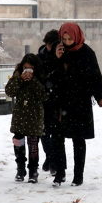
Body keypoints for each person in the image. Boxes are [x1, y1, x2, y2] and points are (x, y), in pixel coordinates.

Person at [51, 22, 102, 187]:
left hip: (79, 102)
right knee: (57, 138)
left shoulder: (87, 53)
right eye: (64, 39)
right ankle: (60, 173)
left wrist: (100, 97)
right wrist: (56, 58)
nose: (67, 42)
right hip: (60, 102)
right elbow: (50, 73)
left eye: (70, 39)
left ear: (76, 37)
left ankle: (78, 176)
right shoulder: (58, 50)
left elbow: (95, 76)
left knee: (78, 139)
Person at [4, 53, 47, 184]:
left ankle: (33, 171)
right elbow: (10, 91)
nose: (28, 71)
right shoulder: (17, 75)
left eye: (30, 68)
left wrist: (33, 80)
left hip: (35, 115)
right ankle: (20, 169)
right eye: (25, 68)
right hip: (20, 114)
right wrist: (20, 79)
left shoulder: (40, 77)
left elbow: (44, 95)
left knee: (33, 144)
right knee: (18, 142)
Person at [37, 29, 60, 174]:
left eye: (52, 44)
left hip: (56, 99)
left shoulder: (60, 56)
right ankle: (50, 157)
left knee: (54, 132)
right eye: (48, 44)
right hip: (44, 99)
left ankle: (51, 159)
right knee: (44, 132)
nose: (49, 47)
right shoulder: (40, 56)